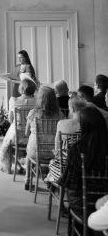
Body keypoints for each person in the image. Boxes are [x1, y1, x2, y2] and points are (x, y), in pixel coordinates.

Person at [59, 106, 108, 235]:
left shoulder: (77, 148)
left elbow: (71, 183)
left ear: (84, 125)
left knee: (72, 194)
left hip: (83, 203)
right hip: (106, 202)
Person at [24, 86, 62, 190]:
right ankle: (52, 179)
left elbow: (26, 133)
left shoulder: (33, 113)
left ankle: (27, 180)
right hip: (54, 153)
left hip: (35, 152)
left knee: (28, 155)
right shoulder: (60, 115)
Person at [45, 95, 87, 184]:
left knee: (51, 165)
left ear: (72, 109)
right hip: (85, 168)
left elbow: (57, 150)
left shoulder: (61, 124)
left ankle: (53, 182)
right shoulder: (90, 124)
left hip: (65, 169)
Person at [0, 78, 36, 173]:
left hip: (17, 135)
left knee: (7, 144)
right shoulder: (37, 102)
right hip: (33, 136)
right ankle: (24, 165)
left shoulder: (14, 100)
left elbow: (10, 119)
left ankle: (17, 165)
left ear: (22, 89)